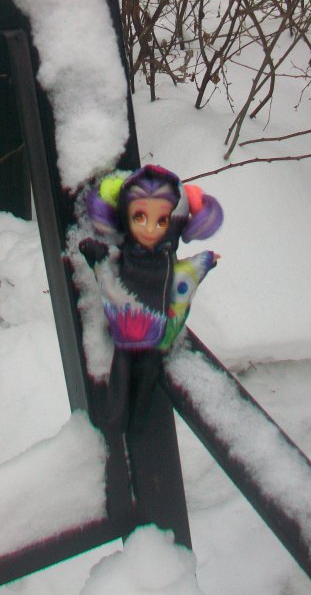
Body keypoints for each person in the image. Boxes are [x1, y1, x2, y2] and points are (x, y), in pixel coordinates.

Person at [79, 164, 224, 433]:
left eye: (161, 221)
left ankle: (136, 423)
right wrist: (95, 253)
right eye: (139, 218)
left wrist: (205, 262)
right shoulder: (125, 256)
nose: (149, 229)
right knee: (121, 371)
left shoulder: (169, 264)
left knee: (148, 373)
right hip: (125, 330)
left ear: (175, 224)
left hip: (156, 333)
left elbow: (184, 275)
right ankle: (116, 418)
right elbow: (107, 261)